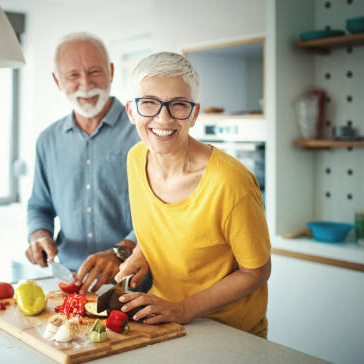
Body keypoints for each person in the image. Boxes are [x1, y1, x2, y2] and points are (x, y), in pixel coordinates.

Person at [115, 52, 271, 338]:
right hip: (165, 324)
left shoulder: (230, 181)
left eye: (178, 105)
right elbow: (164, 231)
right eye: (149, 103)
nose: (163, 118)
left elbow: (256, 272)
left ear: (195, 113)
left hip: (232, 336)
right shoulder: (136, 158)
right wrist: (142, 253)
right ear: (131, 111)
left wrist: (184, 308)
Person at [25, 32, 146, 294]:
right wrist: (39, 234)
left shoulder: (144, 132)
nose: (86, 84)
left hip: (133, 285)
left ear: (111, 72)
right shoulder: (47, 140)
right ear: (57, 80)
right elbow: (39, 206)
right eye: (73, 76)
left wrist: (121, 252)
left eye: (94, 72)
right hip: (69, 281)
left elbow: (164, 212)